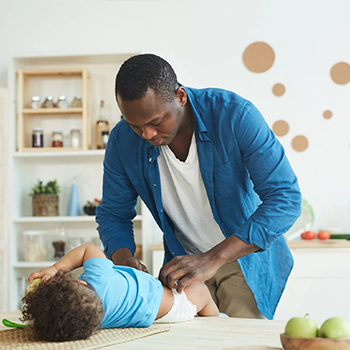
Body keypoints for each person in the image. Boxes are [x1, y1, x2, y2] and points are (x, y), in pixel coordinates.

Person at [96, 53, 302, 320]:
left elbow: (285, 199)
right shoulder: (122, 140)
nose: (147, 135)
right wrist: (124, 262)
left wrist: (212, 259)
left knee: (240, 342)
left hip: (241, 259)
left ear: (180, 96)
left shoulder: (235, 116)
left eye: (156, 122)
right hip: (182, 264)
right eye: (136, 125)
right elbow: (113, 214)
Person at [22, 243, 219, 342]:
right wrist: (55, 269)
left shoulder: (92, 322)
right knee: (201, 291)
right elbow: (87, 250)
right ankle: (218, 318)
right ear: (79, 282)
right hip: (174, 305)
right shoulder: (99, 279)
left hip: (160, 315)